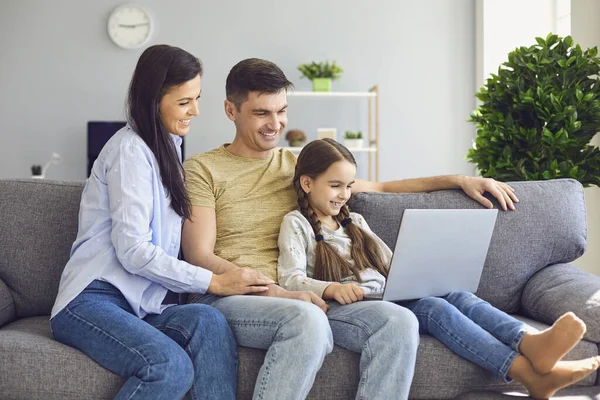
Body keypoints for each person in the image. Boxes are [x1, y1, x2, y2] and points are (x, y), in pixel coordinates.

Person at [181, 58, 521, 399]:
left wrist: (459, 180)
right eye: (261, 113)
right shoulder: (203, 168)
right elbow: (199, 254)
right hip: (233, 296)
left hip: (305, 295)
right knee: (306, 321)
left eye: (281, 111)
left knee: (399, 322)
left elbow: (383, 189)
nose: (276, 124)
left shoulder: (297, 167)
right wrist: (275, 291)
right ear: (231, 110)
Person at [277, 137, 600, 400]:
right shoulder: (296, 224)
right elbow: (289, 279)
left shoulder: (356, 221)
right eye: (335, 186)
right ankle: (528, 373)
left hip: (386, 297)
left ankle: (530, 344)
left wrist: (422, 270)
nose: (344, 195)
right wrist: (331, 288)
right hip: (348, 310)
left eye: (349, 186)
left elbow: (391, 263)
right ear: (307, 183)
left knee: (456, 295)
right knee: (433, 309)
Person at [50, 45, 273, 400]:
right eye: (185, 102)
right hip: (91, 301)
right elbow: (134, 251)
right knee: (169, 365)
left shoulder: (166, 148)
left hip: (140, 305)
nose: (196, 111)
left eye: (197, 98)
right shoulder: (130, 151)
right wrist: (214, 281)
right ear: (154, 98)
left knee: (207, 320)